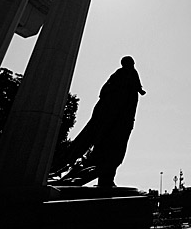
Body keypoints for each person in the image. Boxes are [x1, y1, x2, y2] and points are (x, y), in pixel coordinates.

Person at [62, 56, 146, 187]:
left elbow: (135, 88)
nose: (133, 66)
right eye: (131, 63)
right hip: (113, 120)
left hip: (122, 120)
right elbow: (105, 94)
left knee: (115, 151)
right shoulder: (121, 76)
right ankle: (90, 172)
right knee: (108, 149)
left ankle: (106, 179)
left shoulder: (130, 77)